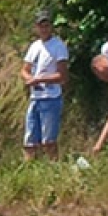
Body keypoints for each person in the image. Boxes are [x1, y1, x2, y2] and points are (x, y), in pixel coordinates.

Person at [20, 9, 69, 160]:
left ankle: (54, 167)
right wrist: (29, 79)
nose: (44, 29)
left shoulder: (58, 46)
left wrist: (40, 79)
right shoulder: (34, 46)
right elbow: (24, 69)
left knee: (49, 141)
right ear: (36, 27)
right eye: (41, 26)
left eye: (47, 25)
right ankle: (29, 169)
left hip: (51, 97)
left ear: (51, 27)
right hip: (36, 97)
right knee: (29, 140)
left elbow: (62, 75)